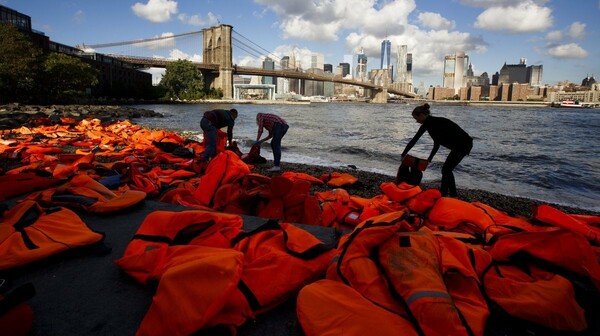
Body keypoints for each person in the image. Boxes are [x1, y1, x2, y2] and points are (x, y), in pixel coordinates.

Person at [401, 103, 473, 197]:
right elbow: (436, 144)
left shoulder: (432, 123)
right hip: (460, 144)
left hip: (463, 144)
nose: (417, 121)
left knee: (446, 169)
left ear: (422, 115)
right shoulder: (429, 123)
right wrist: (429, 158)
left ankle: (450, 195)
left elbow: (415, 140)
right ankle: (446, 194)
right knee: (446, 170)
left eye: (416, 118)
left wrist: (403, 154)